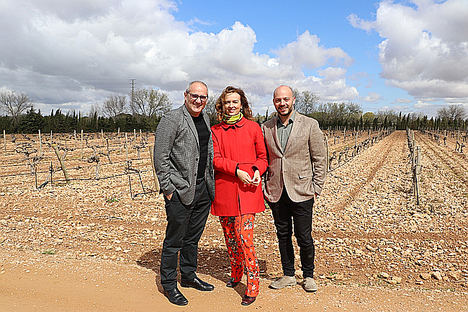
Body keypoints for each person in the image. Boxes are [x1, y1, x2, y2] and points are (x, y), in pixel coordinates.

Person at [154, 81, 215, 306]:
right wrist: (169, 189)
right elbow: (160, 157)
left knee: (192, 238)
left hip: (202, 189)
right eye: (195, 96)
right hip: (180, 189)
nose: (199, 100)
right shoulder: (171, 119)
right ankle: (169, 284)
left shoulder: (205, 119)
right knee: (174, 240)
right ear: (186, 95)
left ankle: (188, 276)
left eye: (203, 97)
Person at [262, 85, 327, 292]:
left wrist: (316, 186)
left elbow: (320, 157)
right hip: (276, 190)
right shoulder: (266, 127)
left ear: (293, 100)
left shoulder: (309, 124)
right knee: (283, 235)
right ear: (274, 102)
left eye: (285, 99)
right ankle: (288, 274)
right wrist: (265, 186)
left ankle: (308, 275)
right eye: (278, 100)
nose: (282, 103)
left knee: (303, 236)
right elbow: (264, 158)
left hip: (302, 190)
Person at [211, 86, 268, 306]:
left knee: (245, 239)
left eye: (235, 102)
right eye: (227, 102)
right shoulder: (216, 131)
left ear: (242, 104)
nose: (231, 106)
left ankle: (253, 283)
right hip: (225, 190)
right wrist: (236, 170)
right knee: (230, 238)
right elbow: (215, 159)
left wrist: (256, 170)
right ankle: (236, 272)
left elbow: (263, 158)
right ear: (222, 105)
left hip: (247, 192)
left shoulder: (253, 128)